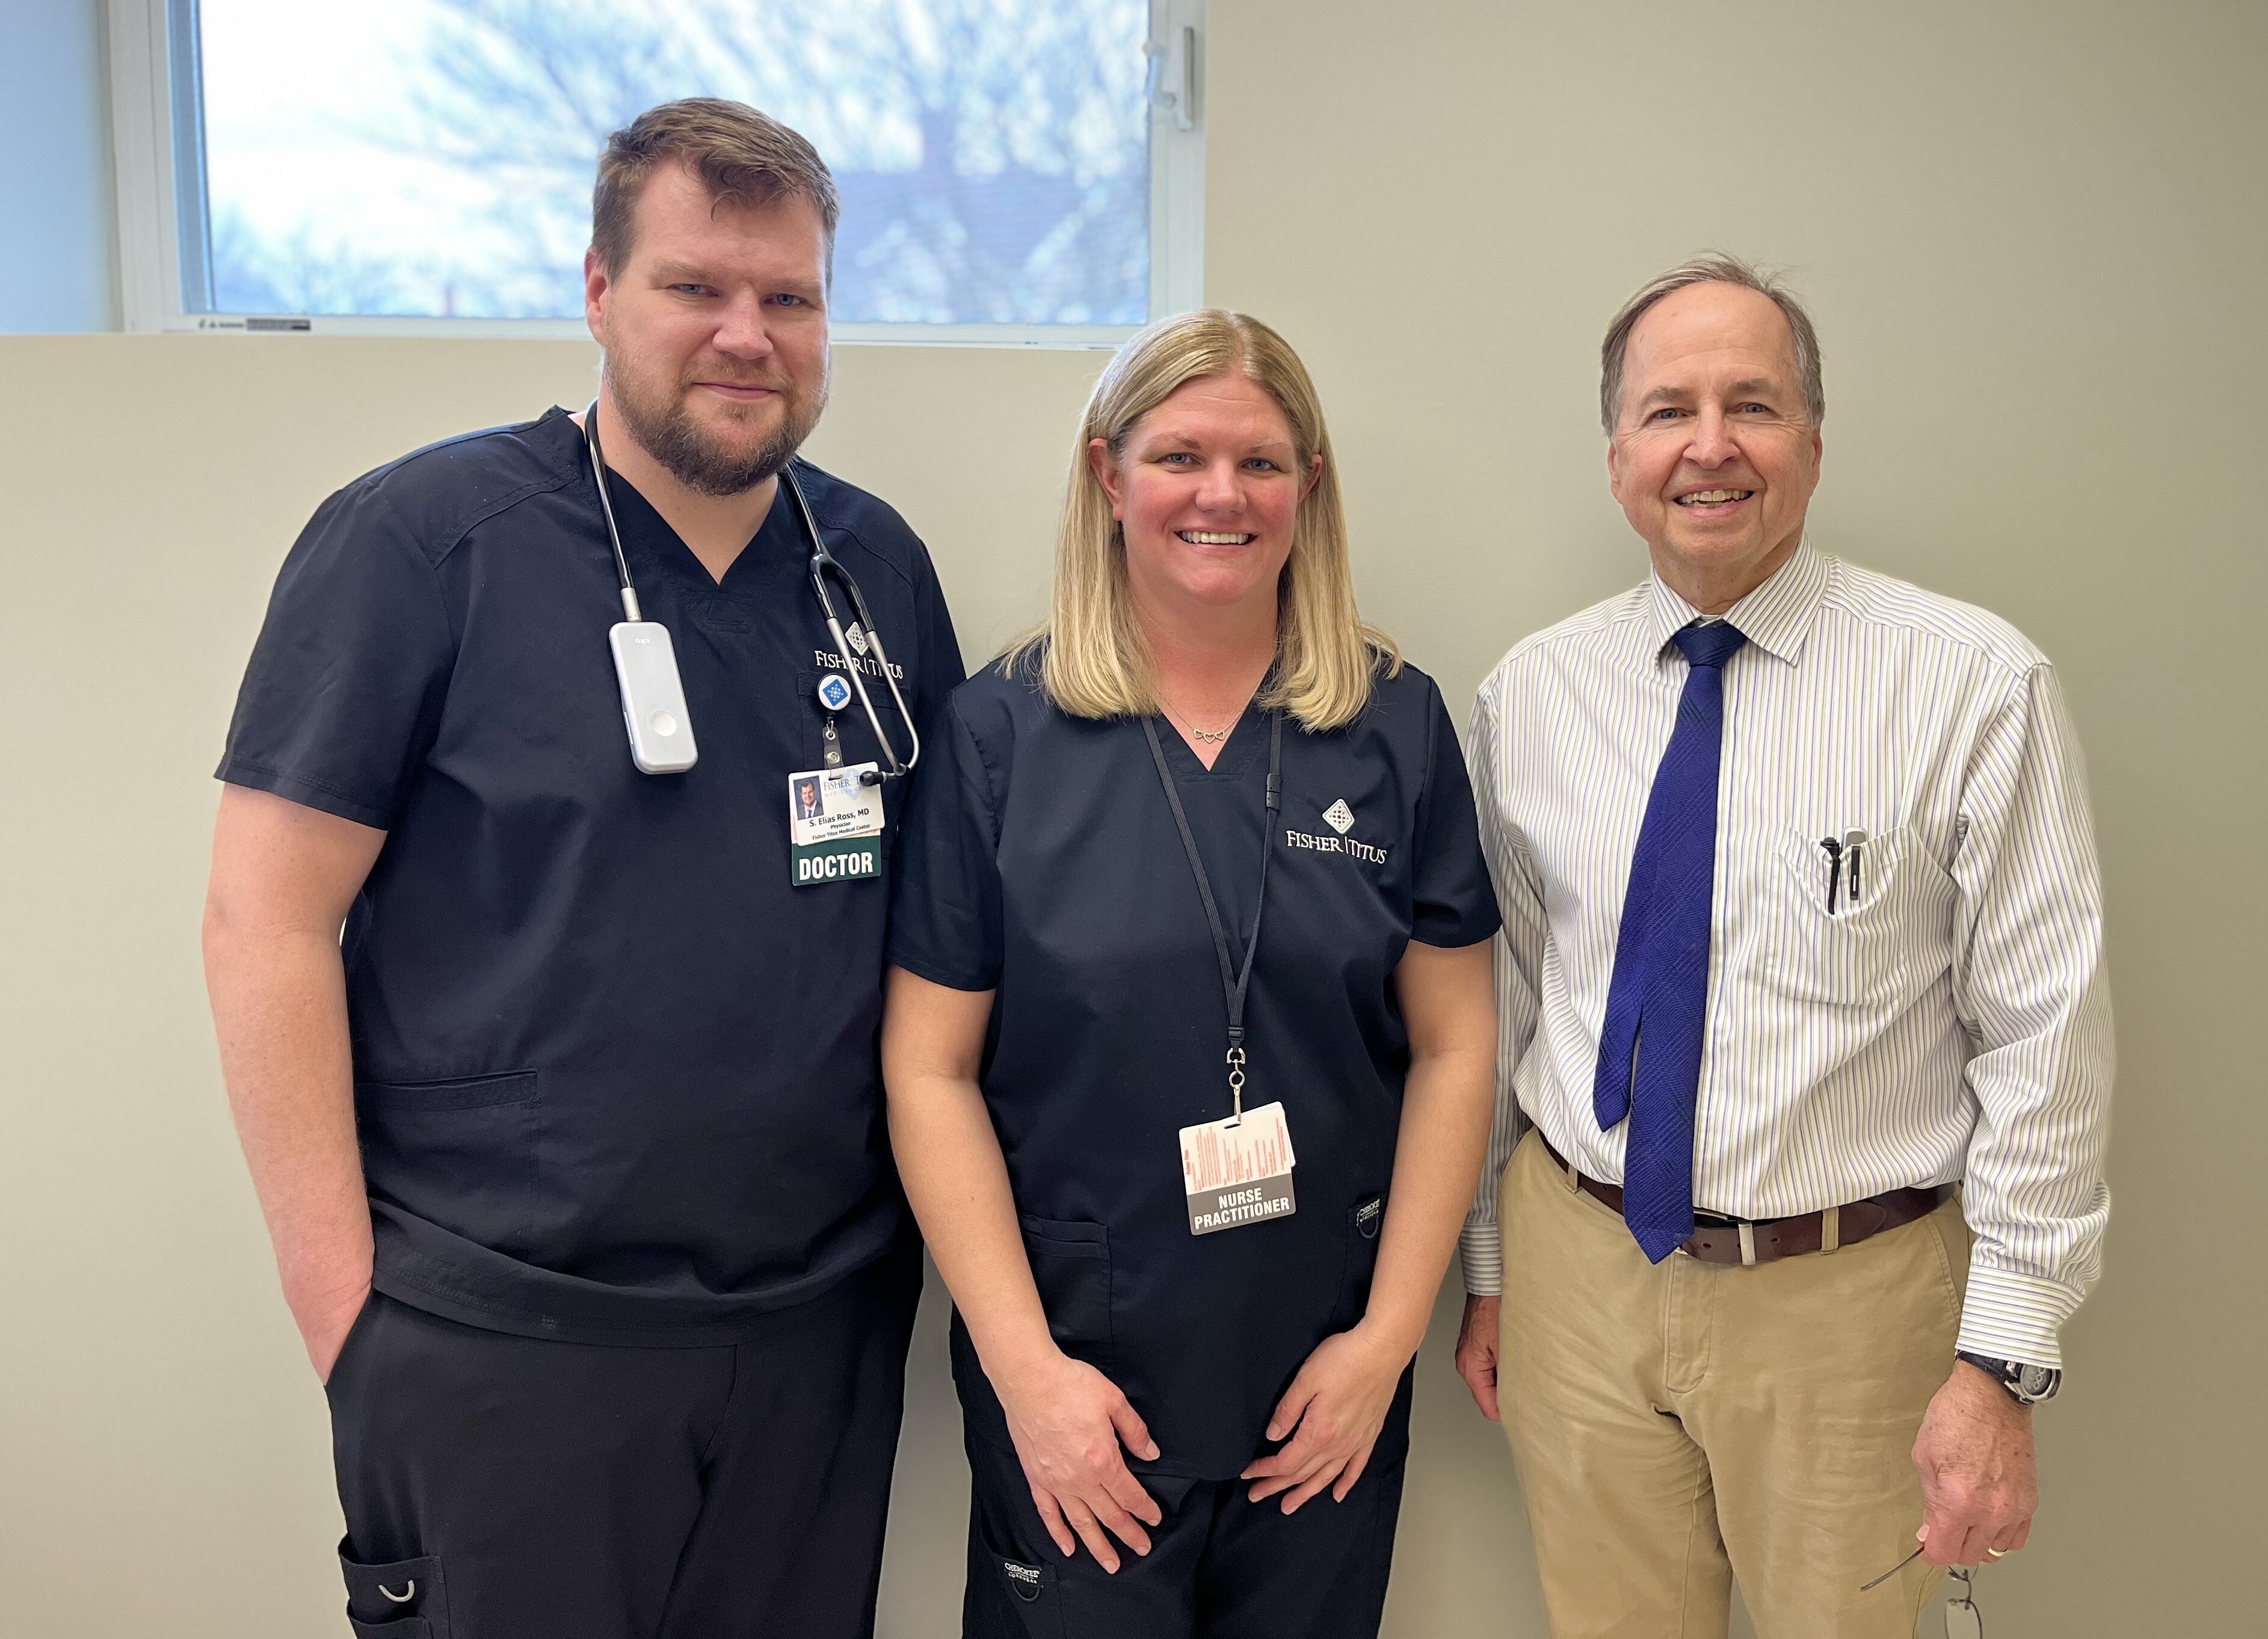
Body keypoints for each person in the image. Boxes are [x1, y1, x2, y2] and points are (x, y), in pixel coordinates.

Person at [200, 97, 962, 1639]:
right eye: (696, 286)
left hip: (813, 1331)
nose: (747, 334)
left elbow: (934, 936)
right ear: (601, 291)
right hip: (504, 1339)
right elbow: (260, 920)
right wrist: (349, 1321)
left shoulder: (870, 569)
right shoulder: (424, 544)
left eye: (790, 297)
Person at [1453, 256, 2114, 1638]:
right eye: (1667, 410)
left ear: (1813, 439)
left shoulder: (1971, 684)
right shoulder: (1533, 693)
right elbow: (1501, 1011)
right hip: (1581, 1278)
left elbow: (2047, 1042)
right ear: (1617, 455)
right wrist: (1495, 1275)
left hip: (1850, 1308)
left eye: (1751, 405)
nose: (1710, 445)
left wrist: (2003, 1360)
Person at [883, 311, 1500, 1639]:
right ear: (1109, 478)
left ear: (1309, 487)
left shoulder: (1394, 724)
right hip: (1077, 1380)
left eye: (1264, 464)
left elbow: (1457, 1047)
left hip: (1319, 1374)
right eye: (1180, 457)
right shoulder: (999, 735)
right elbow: (926, 1070)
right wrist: (1024, 1372)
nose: (1223, 496)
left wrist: (1386, 1344)